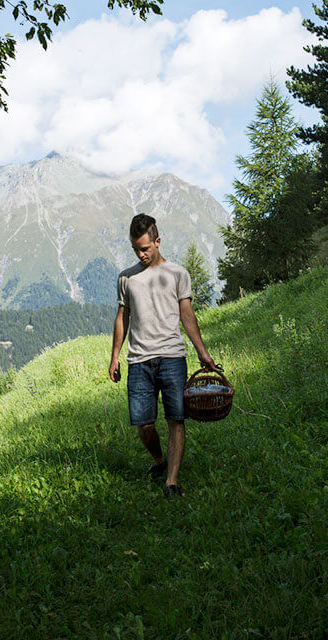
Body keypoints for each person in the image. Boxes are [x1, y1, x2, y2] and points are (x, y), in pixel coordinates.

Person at [108, 213, 218, 499]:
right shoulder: (126, 279)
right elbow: (123, 317)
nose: (141, 254)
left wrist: (202, 352)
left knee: (175, 419)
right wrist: (115, 356)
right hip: (139, 360)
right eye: (136, 249)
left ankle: (171, 482)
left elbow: (187, 315)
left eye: (145, 248)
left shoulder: (177, 274)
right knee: (143, 424)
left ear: (157, 241)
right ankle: (159, 460)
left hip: (172, 357)